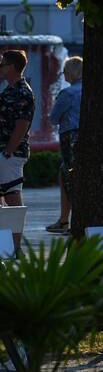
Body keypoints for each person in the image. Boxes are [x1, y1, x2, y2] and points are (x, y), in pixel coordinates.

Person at [0, 50, 34, 250]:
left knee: (12, 199)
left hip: (10, 154)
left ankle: (15, 247)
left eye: (2, 64)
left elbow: (22, 124)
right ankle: (5, 246)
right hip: (5, 152)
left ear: (11, 67)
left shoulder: (22, 91)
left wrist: (8, 151)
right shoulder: (9, 90)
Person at [46, 55, 83, 234]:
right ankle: (63, 219)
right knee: (67, 175)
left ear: (72, 72)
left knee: (70, 177)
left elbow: (53, 119)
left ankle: (72, 221)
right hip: (86, 138)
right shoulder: (92, 90)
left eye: (65, 71)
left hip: (70, 138)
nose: (63, 74)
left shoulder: (68, 93)